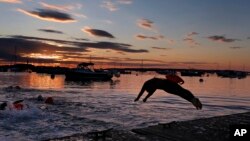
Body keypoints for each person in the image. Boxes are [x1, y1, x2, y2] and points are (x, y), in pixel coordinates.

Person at [134, 78, 202, 110]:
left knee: (181, 92)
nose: (151, 91)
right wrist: (143, 98)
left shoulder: (148, 84)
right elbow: (147, 92)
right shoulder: (149, 84)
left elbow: (142, 92)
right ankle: (193, 100)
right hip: (168, 85)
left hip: (168, 86)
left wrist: (142, 98)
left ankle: (193, 100)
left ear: (148, 88)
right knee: (181, 92)